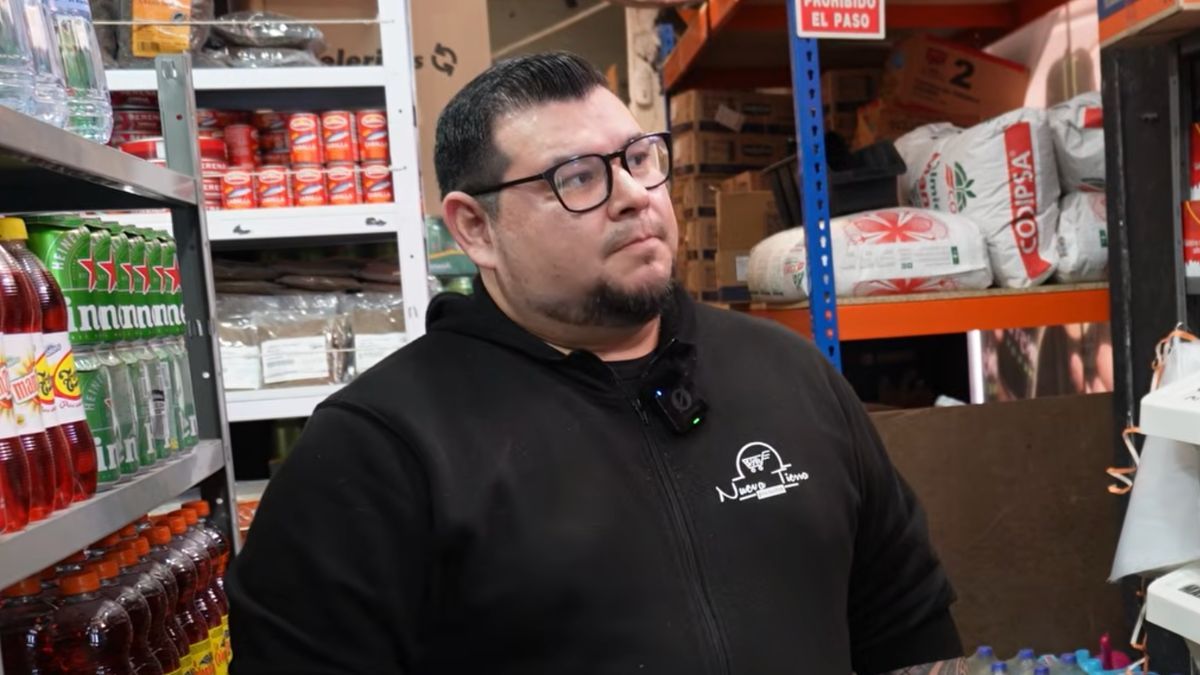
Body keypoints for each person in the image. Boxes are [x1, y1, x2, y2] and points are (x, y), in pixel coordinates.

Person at [228, 51, 962, 674]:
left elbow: (906, 623)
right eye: (578, 177)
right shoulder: (376, 453)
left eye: (639, 159)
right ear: (475, 228)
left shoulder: (789, 375)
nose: (636, 196)